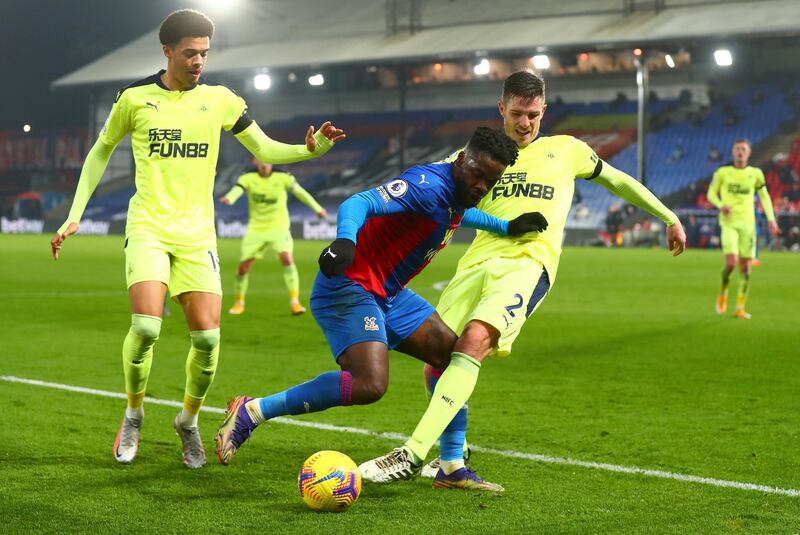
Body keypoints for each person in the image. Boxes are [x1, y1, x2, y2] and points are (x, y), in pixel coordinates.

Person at [359, 70, 687, 492]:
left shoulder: (566, 150)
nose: (525, 123)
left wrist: (669, 216)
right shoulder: (479, 156)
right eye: (517, 113)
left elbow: (618, 180)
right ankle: (452, 464)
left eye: (533, 114)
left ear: (543, 111)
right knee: (437, 362)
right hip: (477, 261)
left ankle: (411, 453)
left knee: (475, 341)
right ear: (502, 109)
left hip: (528, 263)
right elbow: (425, 188)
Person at [49, 9, 345, 468]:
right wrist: (74, 215)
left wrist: (312, 149)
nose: (198, 61)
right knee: (146, 327)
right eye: (190, 53)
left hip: (197, 235)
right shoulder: (134, 98)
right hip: (148, 225)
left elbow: (264, 148)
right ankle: (133, 413)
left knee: (207, 341)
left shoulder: (222, 100)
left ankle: (187, 422)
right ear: (167, 51)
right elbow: (101, 149)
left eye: (204, 52)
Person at [214, 127, 550, 466]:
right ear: (462, 159)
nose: (481, 187)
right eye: (478, 175)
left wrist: (507, 227)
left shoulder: (457, 194)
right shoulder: (427, 185)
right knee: (369, 384)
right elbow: (359, 202)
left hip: (388, 294)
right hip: (350, 286)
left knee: (454, 360)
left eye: (490, 182)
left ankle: (451, 466)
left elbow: (460, 215)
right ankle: (252, 411)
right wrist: (346, 240)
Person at [220, 158, 327, 316]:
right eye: (259, 160)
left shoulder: (284, 176)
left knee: (287, 258)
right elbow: (238, 189)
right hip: (256, 228)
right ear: (254, 162)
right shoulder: (247, 177)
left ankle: (295, 302)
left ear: (271, 160)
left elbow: (301, 193)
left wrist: (318, 209)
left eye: (266, 160)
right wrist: (230, 197)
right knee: (243, 268)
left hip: (279, 227)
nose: (263, 164)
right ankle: (239, 303)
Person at [709, 139, 780, 319]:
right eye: (737, 149)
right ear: (733, 152)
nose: (740, 152)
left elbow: (765, 197)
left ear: (749, 153)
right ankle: (724, 289)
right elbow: (710, 194)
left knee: (746, 269)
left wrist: (771, 220)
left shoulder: (755, 174)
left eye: (743, 149)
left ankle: (740, 307)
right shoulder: (722, 173)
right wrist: (720, 204)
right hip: (729, 223)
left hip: (748, 225)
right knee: (731, 263)